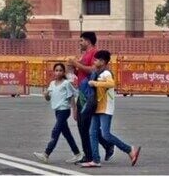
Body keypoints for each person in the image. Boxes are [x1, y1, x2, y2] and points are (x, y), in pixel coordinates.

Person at [81, 50, 141, 168]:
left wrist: (95, 83)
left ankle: (129, 150)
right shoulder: (97, 72)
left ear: (102, 61)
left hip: (106, 107)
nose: (94, 61)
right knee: (92, 133)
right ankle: (96, 159)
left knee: (106, 134)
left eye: (96, 60)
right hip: (96, 106)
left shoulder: (106, 73)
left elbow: (111, 84)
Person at [68, 32, 114, 164]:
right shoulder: (84, 55)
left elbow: (93, 71)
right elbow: (81, 72)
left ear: (88, 41)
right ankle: (96, 150)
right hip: (82, 92)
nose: (80, 43)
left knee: (85, 125)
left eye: (81, 40)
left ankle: (92, 154)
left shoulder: (95, 53)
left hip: (90, 93)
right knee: (83, 125)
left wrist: (76, 64)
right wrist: (73, 68)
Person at [33, 63, 83, 163]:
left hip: (64, 110)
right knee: (66, 133)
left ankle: (46, 153)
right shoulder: (52, 84)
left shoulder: (66, 83)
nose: (58, 72)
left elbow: (71, 97)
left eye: (60, 70)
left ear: (63, 72)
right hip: (57, 111)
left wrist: (74, 111)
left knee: (55, 131)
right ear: (54, 72)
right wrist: (46, 95)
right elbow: (48, 99)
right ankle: (77, 153)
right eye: (56, 70)